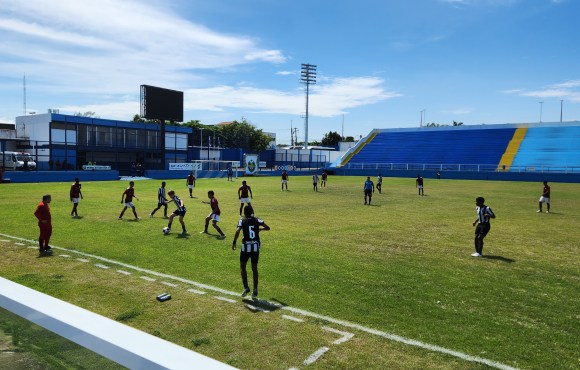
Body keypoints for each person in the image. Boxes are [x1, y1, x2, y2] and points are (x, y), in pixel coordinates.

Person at [232, 205, 270, 299]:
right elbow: (268, 227)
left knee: (242, 266)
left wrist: (234, 242)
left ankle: (246, 287)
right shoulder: (257, 219)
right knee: (254, 268)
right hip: (255, 247)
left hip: (246, 247)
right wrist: (260, 229)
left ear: (244, 212)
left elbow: (237, 230)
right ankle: (255, 289)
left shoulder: (242, 220)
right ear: (252, 211)